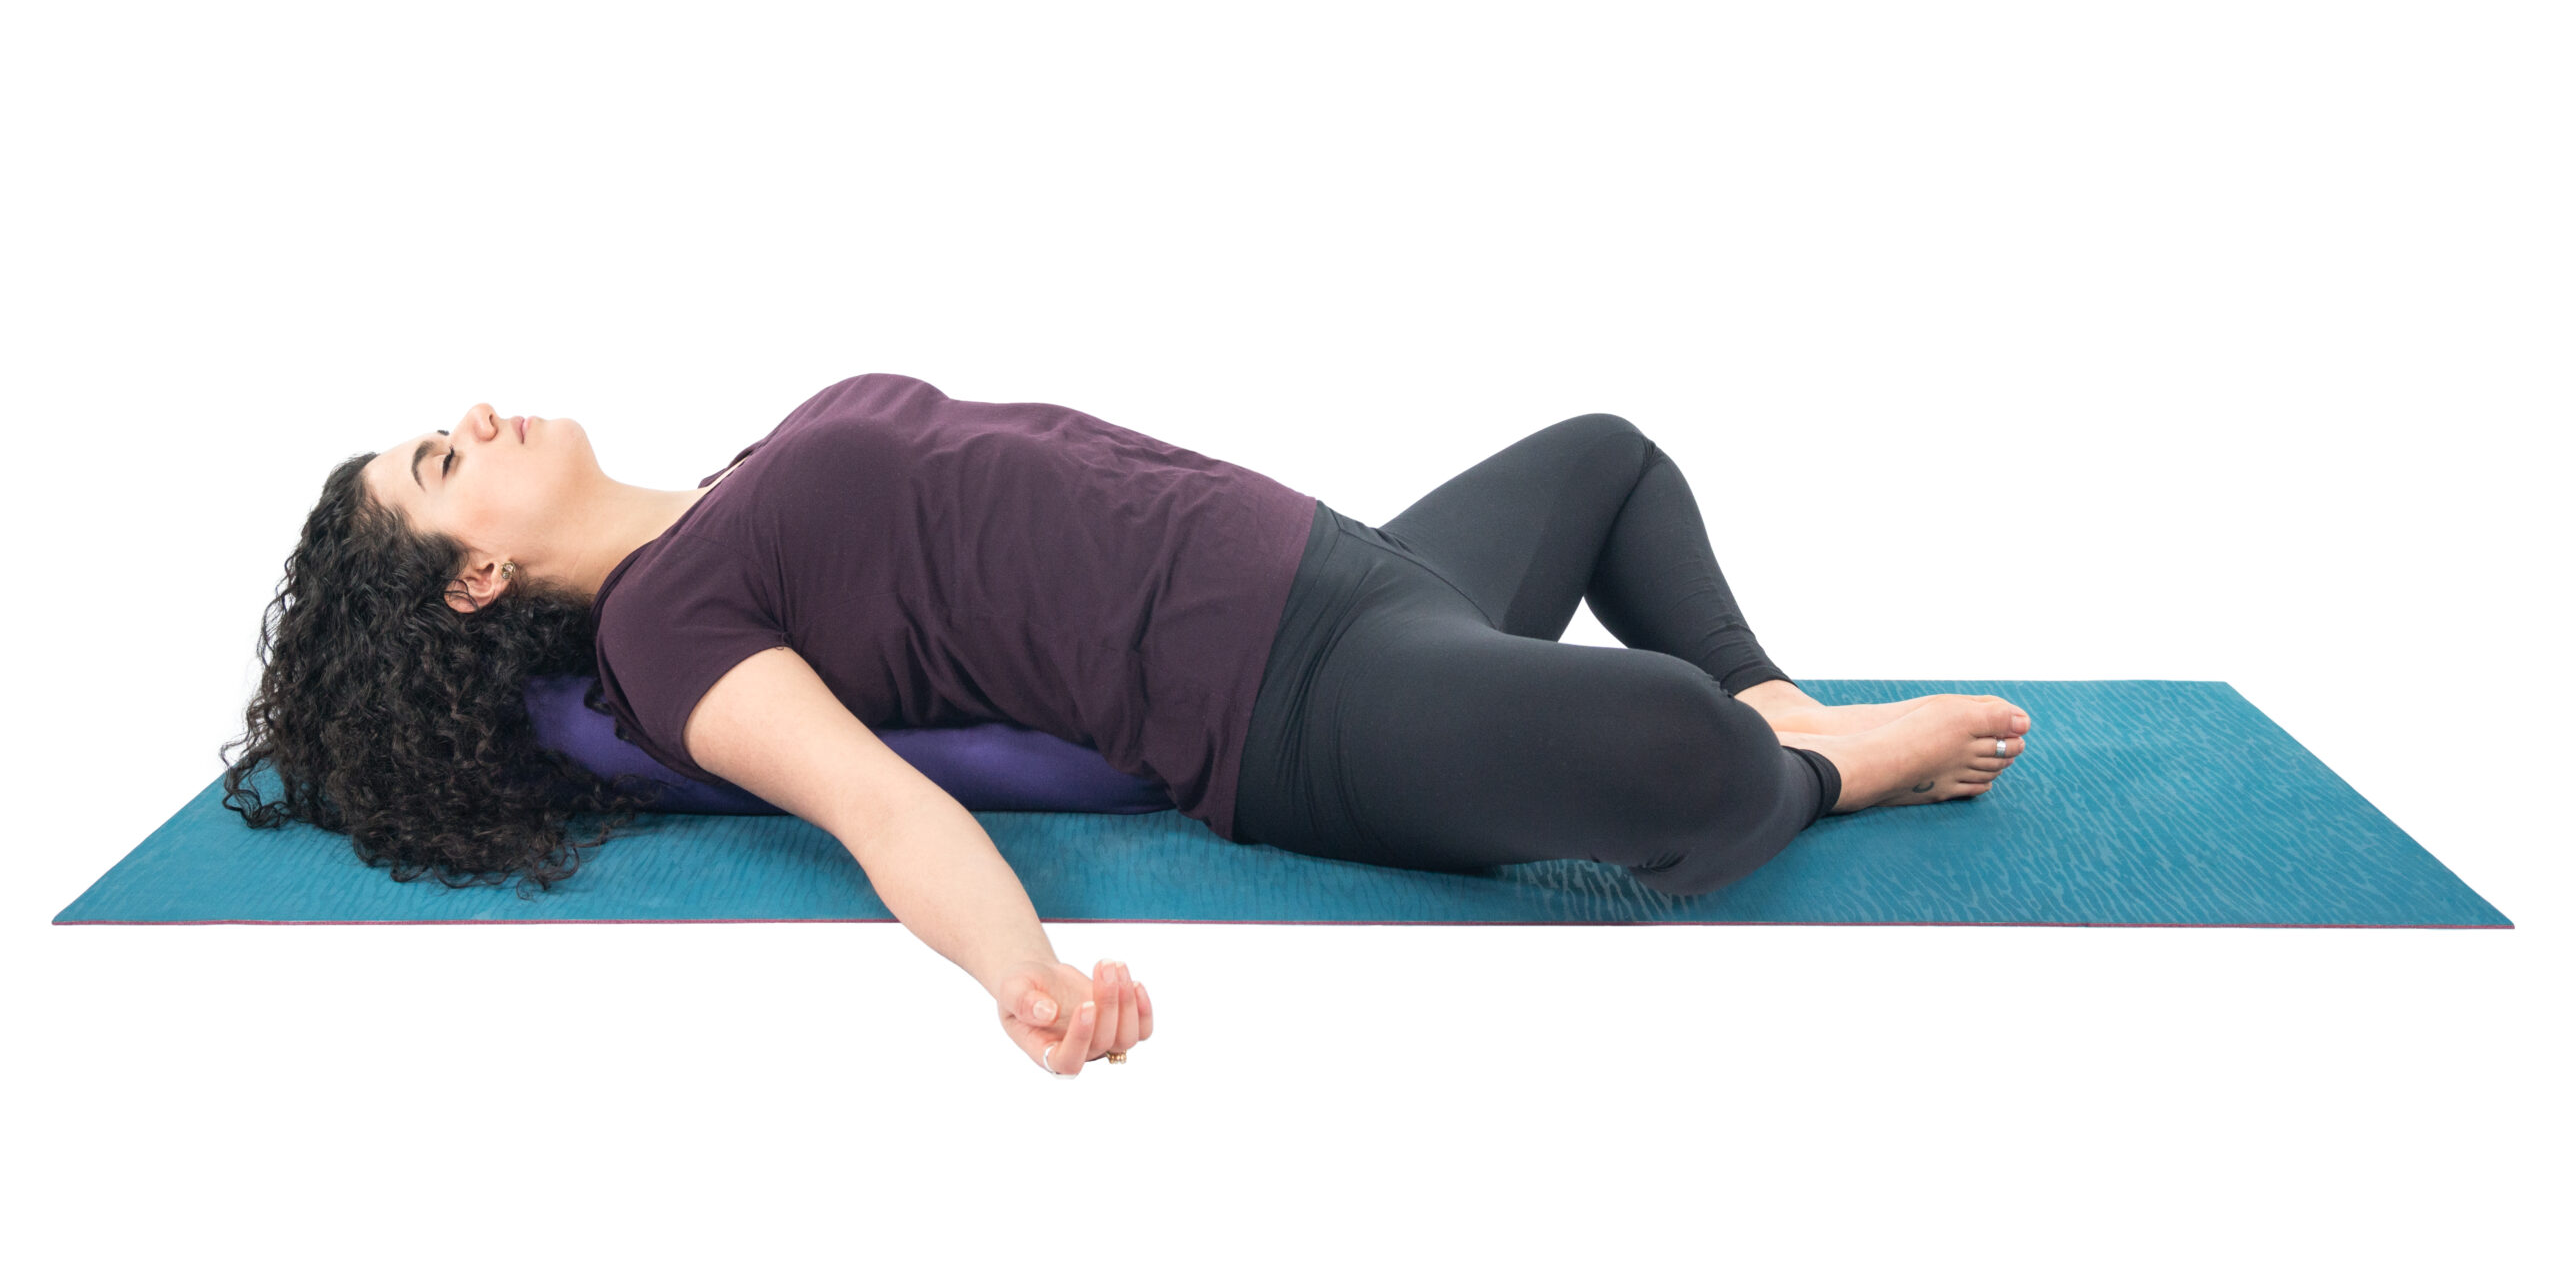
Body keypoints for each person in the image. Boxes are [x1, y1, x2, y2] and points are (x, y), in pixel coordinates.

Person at [225, 373, 2029, 1077]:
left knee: (1606, 458)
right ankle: (1805, 762)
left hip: (1352, 576)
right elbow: (876, 806)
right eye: (442, 464)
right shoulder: (672, 642)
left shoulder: (722, 497)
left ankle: (1770, 686)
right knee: (1665, 746)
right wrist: (1028, 979)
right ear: (470, 585)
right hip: (1297, 709)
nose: (472, 411)